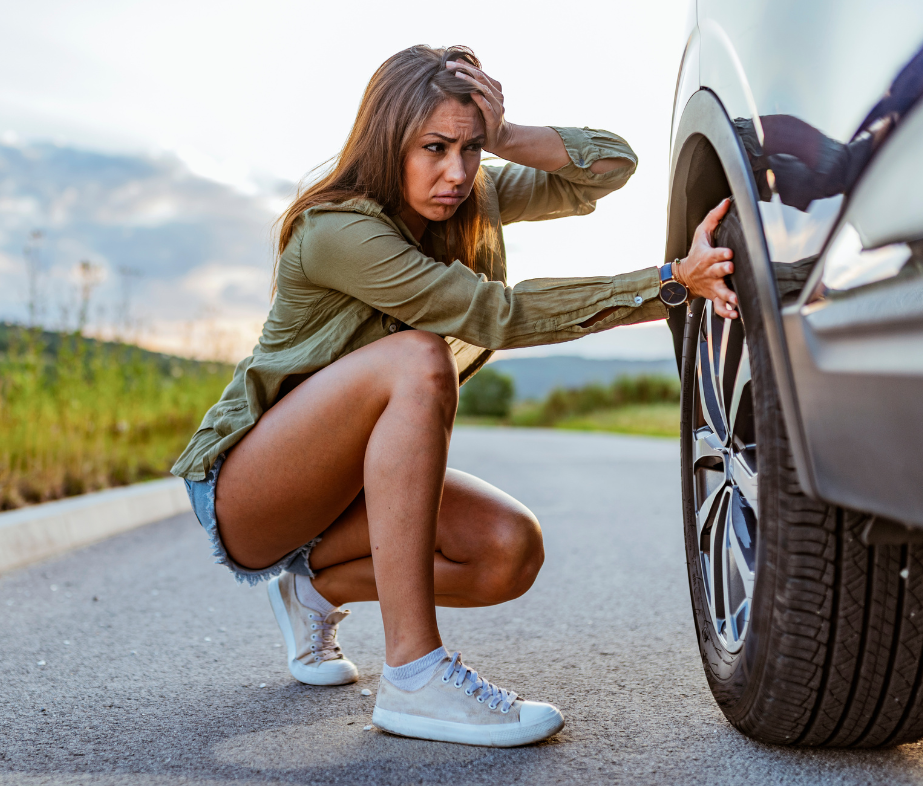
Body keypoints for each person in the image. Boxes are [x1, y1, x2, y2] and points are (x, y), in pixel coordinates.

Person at [171, 45, 736, 747]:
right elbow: (493, 314)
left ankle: (315, 587)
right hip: (252, 489)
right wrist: (668, 283)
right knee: (416, 359)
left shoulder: (475, 189)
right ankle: (414, 678)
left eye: (470, 149)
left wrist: (506, 136)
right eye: (434, 147)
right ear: (387, 141)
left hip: (345, 493)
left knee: (507, 548)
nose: (457, 172)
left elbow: (611, 167)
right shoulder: (339, 230)